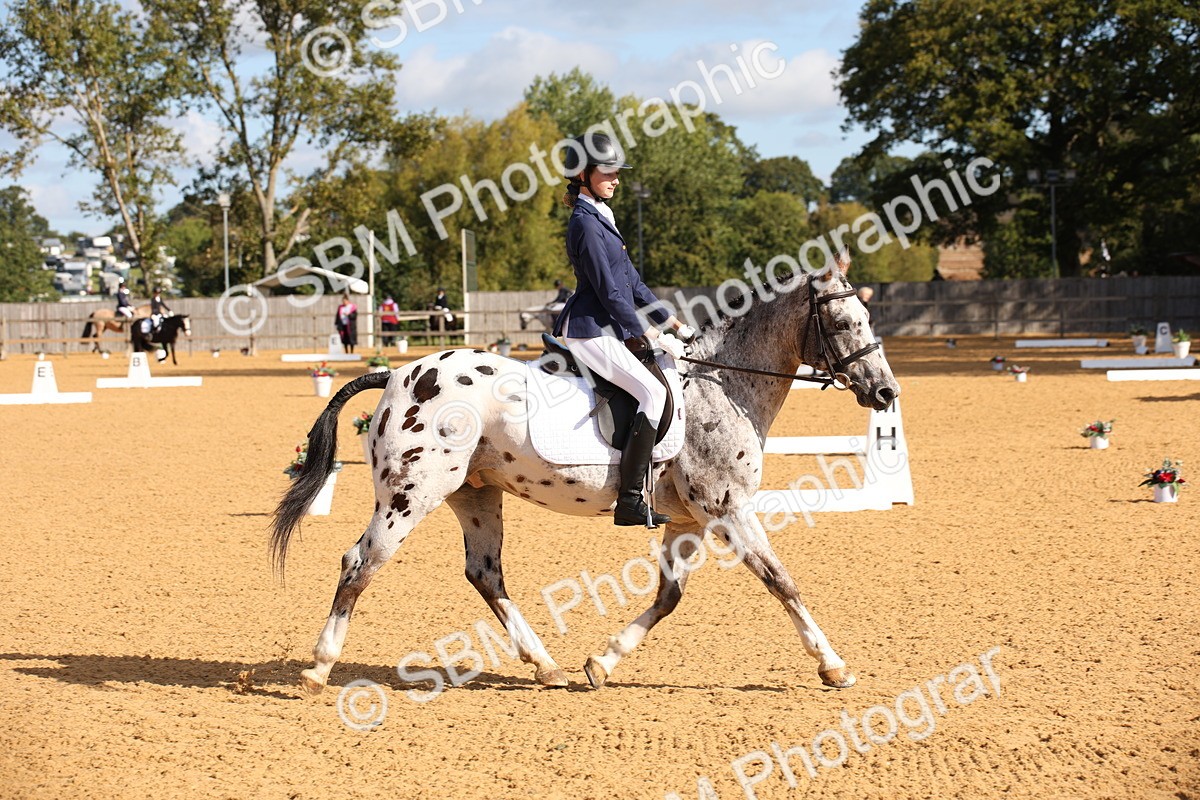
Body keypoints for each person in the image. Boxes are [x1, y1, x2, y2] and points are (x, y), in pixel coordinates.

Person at [552, 131, 695, 528]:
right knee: (652, 392)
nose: (616, 178)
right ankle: (630, 500)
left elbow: (632, 282)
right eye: (608, 172)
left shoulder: (602, 216)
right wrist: (644, 334)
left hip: (606, 327)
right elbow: (609, 291)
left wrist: (675, 325)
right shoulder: (584, 222)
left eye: (618, 172)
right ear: (582, 173)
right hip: (590, 329)